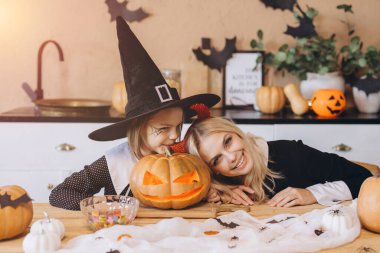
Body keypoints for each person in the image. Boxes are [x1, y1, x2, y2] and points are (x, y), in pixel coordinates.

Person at [49, 17, 220, 210]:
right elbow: (60, 193)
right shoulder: (114, 161)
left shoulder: (184, 154)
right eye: (164, 128)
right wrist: (105, 205)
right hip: (125, 235)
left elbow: (205, 182)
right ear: (138, 128)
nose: (175, 136)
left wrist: (209, 191)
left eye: (179, 126)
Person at [173, 116, 372, 207]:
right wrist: (215, 191)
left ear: (237, 133)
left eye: (228, 141)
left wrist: (312, 193)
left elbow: (366, 179)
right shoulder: (221, 184)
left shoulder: (292, 154)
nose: (231, 157)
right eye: (217, 160)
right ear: (213, 171)